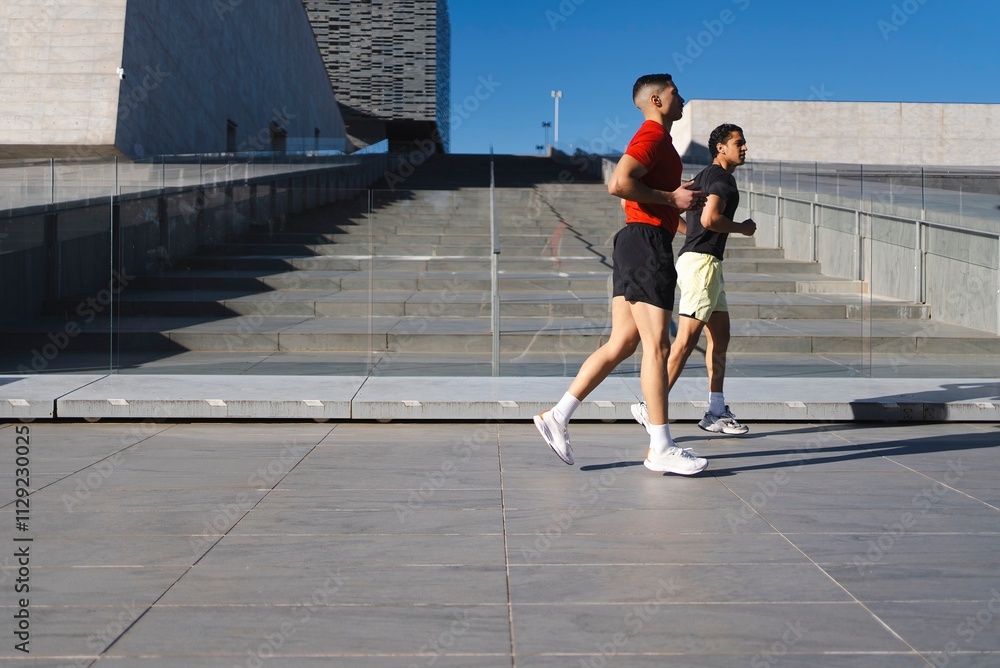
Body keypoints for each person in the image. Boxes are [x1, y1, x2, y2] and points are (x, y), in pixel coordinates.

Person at [534, 73, 709, 475]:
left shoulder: (661, 143)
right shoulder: (652, 135)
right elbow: (618, 184)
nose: (682, 97)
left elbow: (638, 199)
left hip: (638, 240)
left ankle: (557, 416)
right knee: (657, 347)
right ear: (656, 100)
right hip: (645, 245)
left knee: (623, 342)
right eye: (675, 92)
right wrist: (672, 198)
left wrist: (680, 216)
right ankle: (660, 447)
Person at [631, 123, 756, 435]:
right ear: (720, 148)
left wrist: (693, 237)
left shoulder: (702, 177)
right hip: (702, 265)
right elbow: (711, 219)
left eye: (744, 143)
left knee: (720, 336)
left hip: (703, 262)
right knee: (686, 340)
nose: (744, 148)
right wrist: (743, 228)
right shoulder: (722, 179)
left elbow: (681, 217)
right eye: (738, 143)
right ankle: (649, 407)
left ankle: (716, 410)